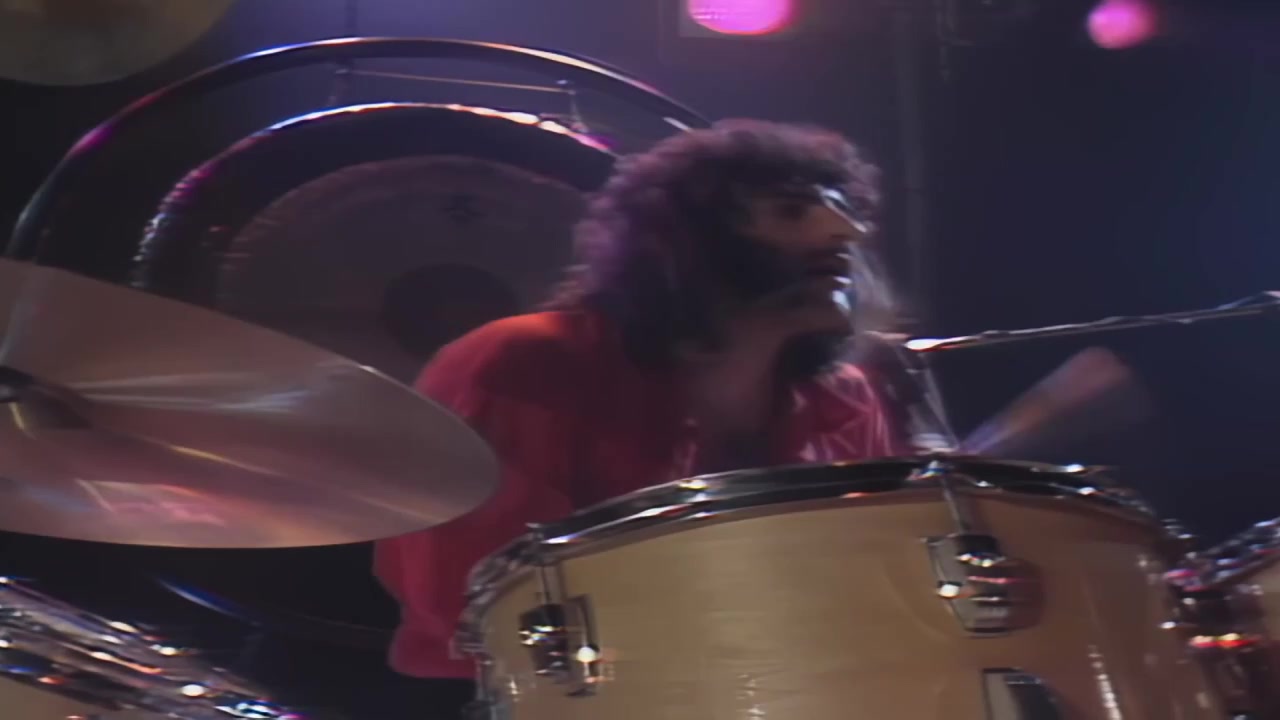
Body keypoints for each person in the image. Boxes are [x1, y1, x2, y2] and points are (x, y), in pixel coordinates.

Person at [373, 119, 909, 685]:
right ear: (689, 241)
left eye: (849, 213)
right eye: (793, 211)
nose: (846, 231)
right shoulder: (527, 362)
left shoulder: (843, 395)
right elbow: (475, 602)